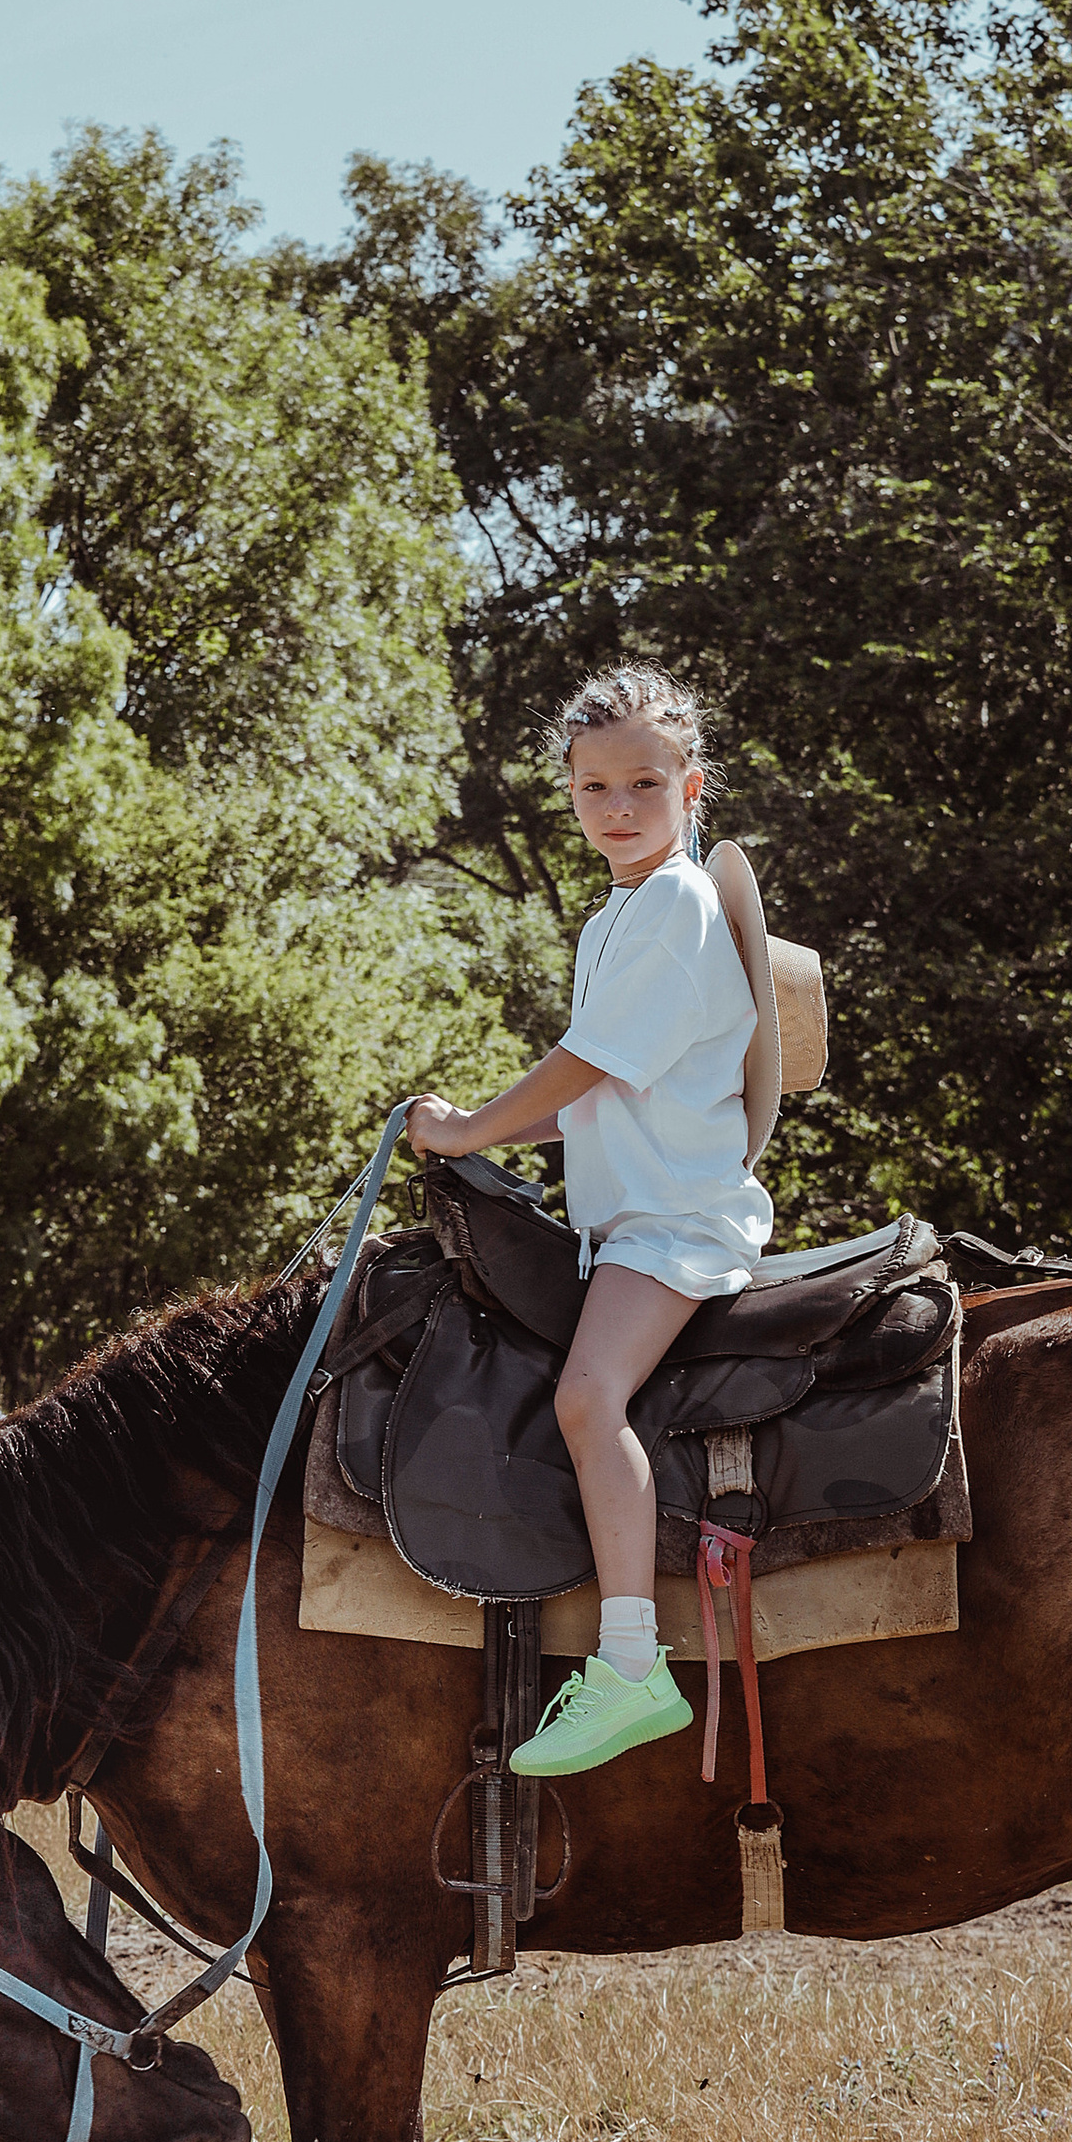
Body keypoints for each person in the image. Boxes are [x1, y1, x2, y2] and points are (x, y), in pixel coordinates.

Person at [407, 667, 772, 1776]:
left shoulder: (671, 903)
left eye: (643, 784)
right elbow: (598, 1101)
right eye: (593, 787)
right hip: (633, 1214)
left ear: (690, 785)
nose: (617, 808)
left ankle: (627, 1664)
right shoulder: (616, 913)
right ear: (567, 795)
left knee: (587, 1392)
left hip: (674, 1223)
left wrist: (471, 1127)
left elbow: (582, 1065)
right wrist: (472, 1134)